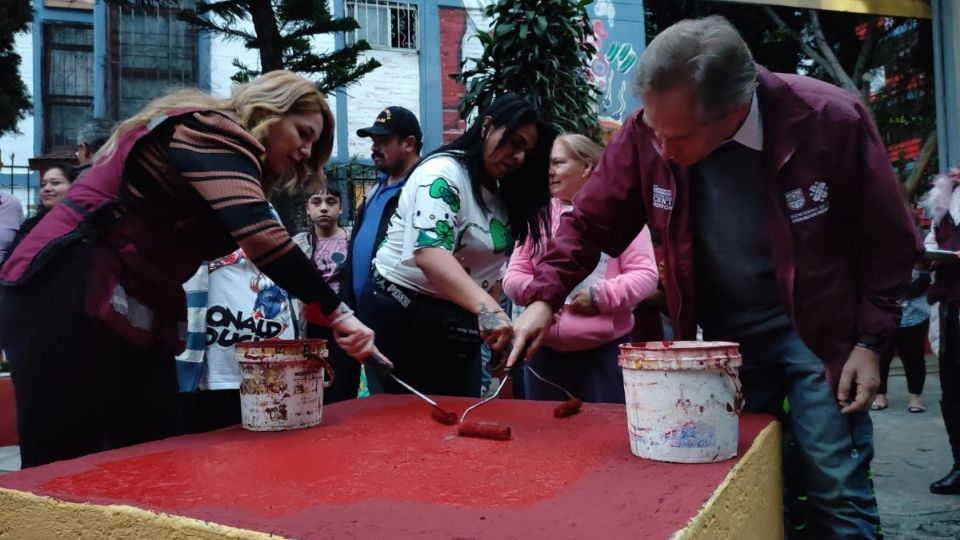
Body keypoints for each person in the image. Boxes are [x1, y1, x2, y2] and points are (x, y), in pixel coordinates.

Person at [507, 17, 921, 538]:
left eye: (675, 137)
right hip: (721, 337)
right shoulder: (646, 131)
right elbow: (590, 223)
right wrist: (544, 299)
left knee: (832, 478)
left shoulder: (827, 119)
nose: (659, 147)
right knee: (739, 475)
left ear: (733, 111)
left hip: (819, 329)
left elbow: (889, 240)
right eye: (653, 129)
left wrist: (869, 342)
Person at [0, 70, 381, 468]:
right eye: (303, 133)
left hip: (125, 301)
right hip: (62, 289)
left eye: (312, 145)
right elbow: (262, 237)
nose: (305, 152)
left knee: (152, 451)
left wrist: (326, 310)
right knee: (62, 464)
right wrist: (338, 311)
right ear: (271, 109)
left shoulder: (224, 156)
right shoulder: (212, 130)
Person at [357, 94, 554, 397]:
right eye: (514, 142)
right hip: (399, 310)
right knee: (410, 423)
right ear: (487, 126)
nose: (518, 157)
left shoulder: (502, 193)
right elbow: (430, 254)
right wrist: (490, 310)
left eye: (527, 152)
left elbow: (489, 270)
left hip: (456, 319)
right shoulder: (442, 174)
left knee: (461, 413)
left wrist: (492, 329)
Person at [503, 134, 658, 404]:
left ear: (587, 167)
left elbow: (645, 275)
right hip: (543, 352)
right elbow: (513, 275)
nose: (549, 171)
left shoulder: (620, 217)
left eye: (558, 163)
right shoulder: (537, 219)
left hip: (604, 351)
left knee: (601, 436)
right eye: (548, 164)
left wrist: (601, 299)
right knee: (545, 434)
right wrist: (538, 296)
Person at [342, 106, 422, 310]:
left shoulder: (422, 188)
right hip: (360, 313)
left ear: (409, 143)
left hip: (399, 316)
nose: (374, 148)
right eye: (373, 141)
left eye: (383, 141)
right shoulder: (377, 187)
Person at [293, 185, 357, 403]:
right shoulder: (299, 244)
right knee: (312, 390)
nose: (323, 208)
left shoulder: (354, 240)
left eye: (330, 202)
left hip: (346, 324)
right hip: (311, 328)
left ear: (340, 208)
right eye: (316, 202)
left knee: (344, 390)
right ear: (308, 209)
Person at [923, 167, 960, 494]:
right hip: (951, 307)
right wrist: (927, 257)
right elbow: (932, 242)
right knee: (953, 391)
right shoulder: (946, 199)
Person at [871, 260, 930, 413]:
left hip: (915, 313)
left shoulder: (918, 245)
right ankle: (880, 395)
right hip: (884, 313)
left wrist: (897, 298)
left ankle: (915, 397)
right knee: (882, 356)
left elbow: (924, 280)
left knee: (914, 357)